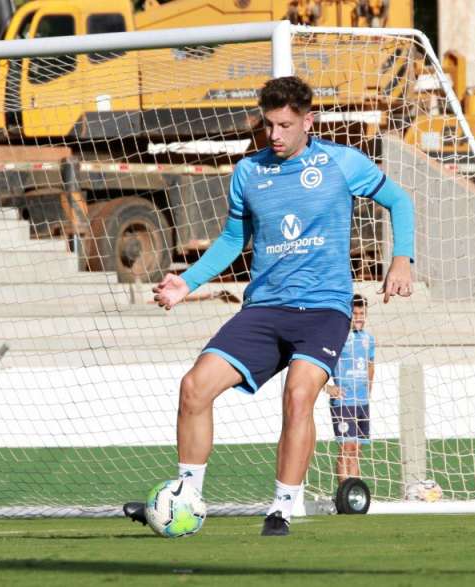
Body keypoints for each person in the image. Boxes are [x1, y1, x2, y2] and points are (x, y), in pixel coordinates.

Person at [123, 76, 415, 536]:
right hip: (263, 310)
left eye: (284, 124)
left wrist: (402, 258)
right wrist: (188, 282)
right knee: (194, 387)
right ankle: (185, 497)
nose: (275, 135)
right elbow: (233, 239)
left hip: (323, 310)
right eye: (268, 124)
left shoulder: (340, 163)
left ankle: (281, 507)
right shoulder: (249, 172)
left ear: (308, 121)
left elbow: (399, 200)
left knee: (299, 395)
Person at [327, 294, 375, 483]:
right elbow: (317, 365)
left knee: (356, 450)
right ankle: (343, 493)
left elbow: (371, 365)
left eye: (362, 313)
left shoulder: (368, 339)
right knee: (346, 449)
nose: (359, 317)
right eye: (355, 313)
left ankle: (354, 491)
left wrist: (368, 391)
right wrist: (328, 387)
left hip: (362, 402)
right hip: (343, 402)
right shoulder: (337, 338)